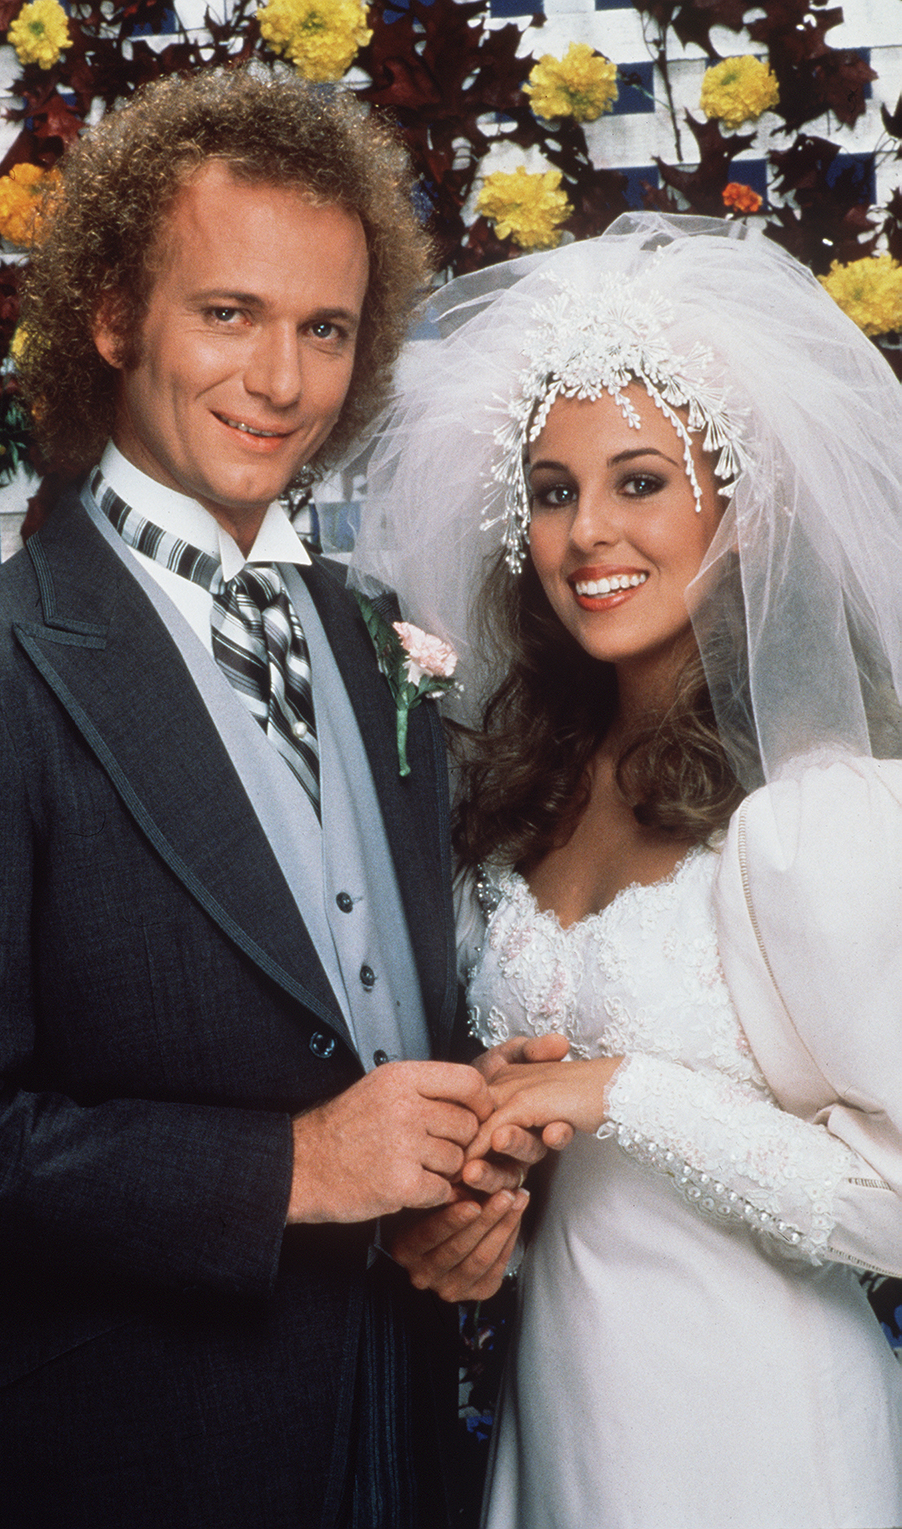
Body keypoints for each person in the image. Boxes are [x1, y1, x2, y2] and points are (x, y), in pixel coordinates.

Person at [0, 67, 540, 1529]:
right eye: (229, 314)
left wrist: (473, 1173)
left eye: (323, 329)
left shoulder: (384, 636)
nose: (281, 381)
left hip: (408, 1430)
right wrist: (296, 1167)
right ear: (117, 316)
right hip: (144, 1459)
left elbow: (377, 1003)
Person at [350, 213, 902, 1528]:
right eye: (553, 490)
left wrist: (622, 1089)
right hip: (564, 1426)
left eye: (639, 480)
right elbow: (577, 1182)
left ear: (739, 499)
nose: (588, 532)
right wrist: (488, 1223)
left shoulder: (816, 817)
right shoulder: (522, 793)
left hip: (764, 1442)